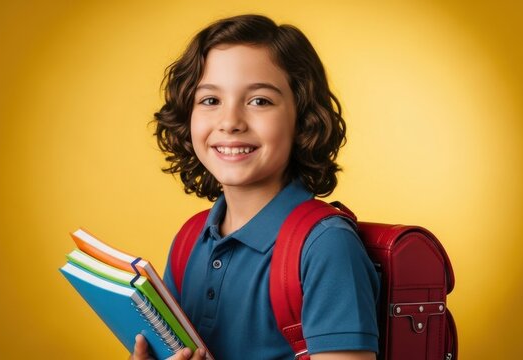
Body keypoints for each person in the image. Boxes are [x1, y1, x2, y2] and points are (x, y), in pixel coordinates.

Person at [131, 14, 380, 360]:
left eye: (259, 101)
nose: (231, 122)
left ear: (303, 118)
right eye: (210, 100)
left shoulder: (326, 246)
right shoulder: (190, 240)